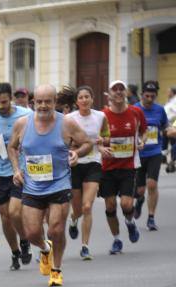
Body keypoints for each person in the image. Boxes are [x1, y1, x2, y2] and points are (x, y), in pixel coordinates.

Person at [9, 84, 92, 287]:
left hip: (59, 184)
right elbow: (12, 147)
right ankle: (45, 248)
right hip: (32, 186)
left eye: (48, 101)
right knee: (31, 233)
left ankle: (56, 269)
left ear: (55, 102)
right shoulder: (22, 124)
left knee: (56, 228)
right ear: (33, 102)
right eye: (39, 101)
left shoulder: (67, 123)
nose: (43, 105)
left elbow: (87, 143)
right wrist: (16, 170)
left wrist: (76, 153)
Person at [0, 82, 33, 270]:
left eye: (4, 102)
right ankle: (15, 252)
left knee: (14, 211)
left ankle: (25, 239)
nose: (1, 106)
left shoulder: (26, 115)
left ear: (11, 98)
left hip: (19, 170)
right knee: (5, 217)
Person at [100, 80, 146, 255]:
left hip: (129, 165)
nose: (118, 92)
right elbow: (96, 138)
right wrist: (101, 148)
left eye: (121, 89)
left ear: (126, 92)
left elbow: (143, 132)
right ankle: (117, 239)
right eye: (115, 89)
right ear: (109, 94)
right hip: (107, 167)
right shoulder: (102, 116)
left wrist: (142, 141)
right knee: (110, 205)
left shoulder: (136, 112)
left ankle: (130, 223)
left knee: (126, 204)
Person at [66, 86, 109, 260]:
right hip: (75, 165)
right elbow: (64, 141)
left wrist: (102, 141)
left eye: (87, 97)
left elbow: (106, 136)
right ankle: (74, 220)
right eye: (81, 97)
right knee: (77, 209)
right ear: (76, 101)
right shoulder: (69, 119)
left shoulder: (100, 116)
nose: (84, 100)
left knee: (87, 206)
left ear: (92, 99)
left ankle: (85, 246)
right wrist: (73, 147)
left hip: (93, 163)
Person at [134, 81, 168, 230]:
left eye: (152, 96)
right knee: (140, 190)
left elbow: (166, 126)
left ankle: (151, 218)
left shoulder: (160, 109)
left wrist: (171, 130)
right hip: (139, 153)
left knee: (152, 185)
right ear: (142, 95)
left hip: (155, 151)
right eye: (147, 96)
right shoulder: (134, 109)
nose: (149, 99)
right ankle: (140, 200)